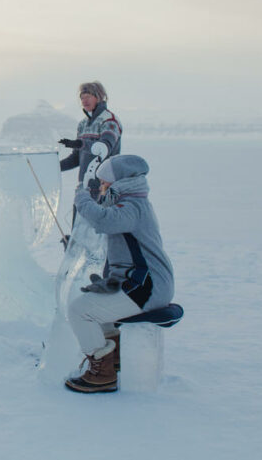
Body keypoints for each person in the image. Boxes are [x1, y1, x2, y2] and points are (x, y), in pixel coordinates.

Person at [64, 154, 174, 393]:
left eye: (105, 182)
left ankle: (101, 372)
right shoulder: (130, 203)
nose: (102, 186)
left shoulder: (132, 206)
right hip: (139, 282)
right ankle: (113, 359)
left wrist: (82, 195)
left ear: (119, 182)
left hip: (148, 286)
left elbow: (104, 221)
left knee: (79, 310)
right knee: (95, 307)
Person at [59, 81, 122, 200]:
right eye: (82, 98)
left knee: (98, 218)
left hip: (104, 188)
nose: (84, 101)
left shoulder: (109, 121)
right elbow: (76, 158)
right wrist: (55, 167)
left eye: (88, 96)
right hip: (84, 186)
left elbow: (105, 148)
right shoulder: (83, 124)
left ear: (98, 97)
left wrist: (80, 143)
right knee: (78, 218)